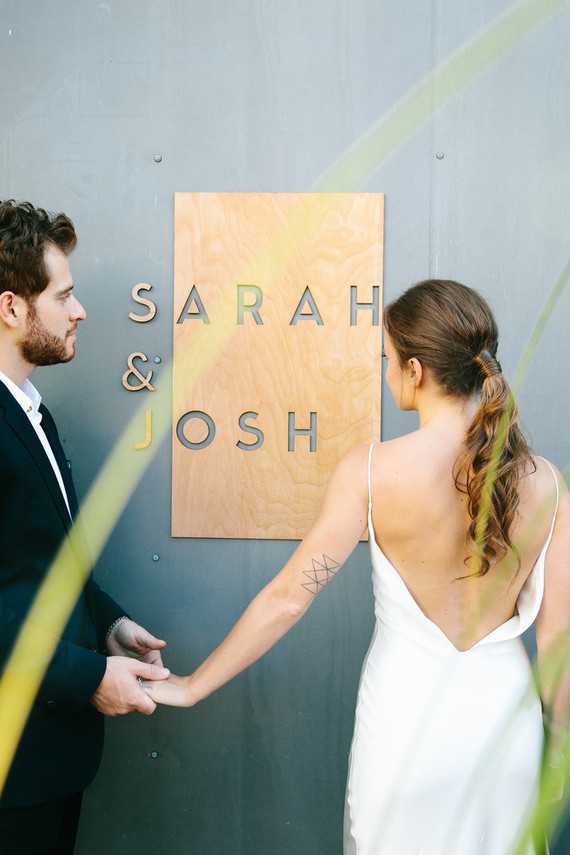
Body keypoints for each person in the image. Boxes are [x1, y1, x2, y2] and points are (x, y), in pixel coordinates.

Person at [145, 279, 569, 854]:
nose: (386, 372)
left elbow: (289, 597)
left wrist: (193, 686)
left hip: (406, 725)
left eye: (388, 361)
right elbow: (558, 639)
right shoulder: (545, 480)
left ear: (415, 370)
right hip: (505, 731)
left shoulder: (372, 471)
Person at [0, 199, 170, 855]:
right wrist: (91, 676)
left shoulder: (32, 412)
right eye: (64, 295)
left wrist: (108, 623)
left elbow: (40, 567)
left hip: (45, 768)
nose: (79, 311)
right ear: (12, 308)